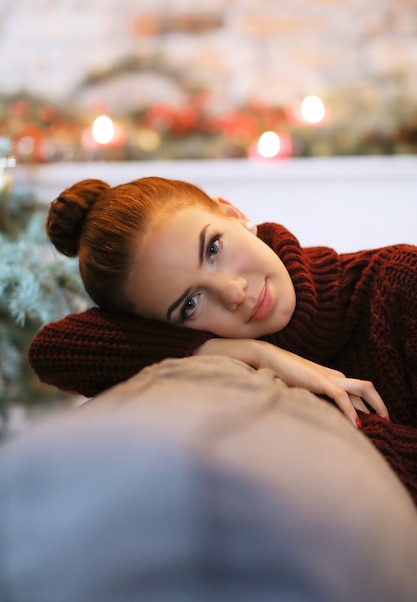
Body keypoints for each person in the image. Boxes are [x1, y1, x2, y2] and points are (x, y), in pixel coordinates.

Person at [28, 176, 417, 502]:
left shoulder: (400, 283)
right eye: (190, 304)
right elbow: (53, 351)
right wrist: (252, 353)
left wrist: (318, 419)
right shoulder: (234, 355)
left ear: (233, 214)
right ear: (169, 329)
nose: (233, 292)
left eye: (213, 248)